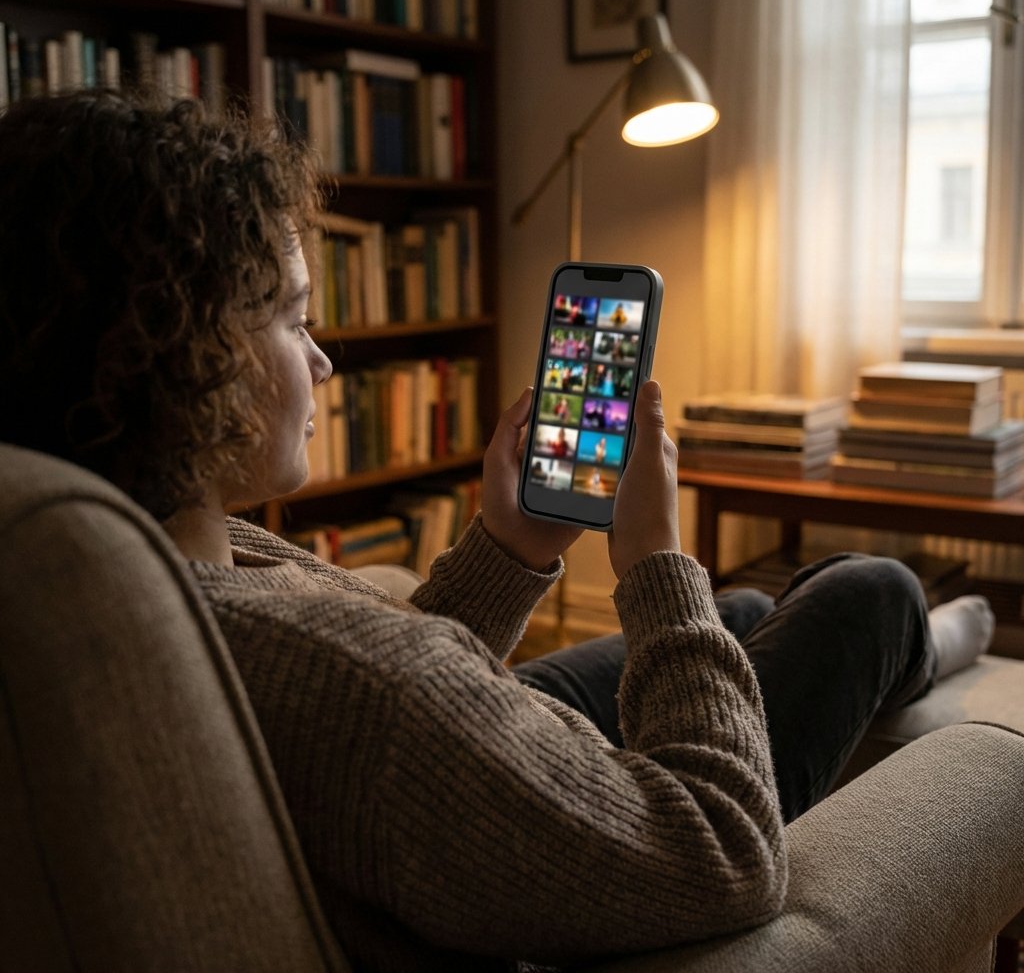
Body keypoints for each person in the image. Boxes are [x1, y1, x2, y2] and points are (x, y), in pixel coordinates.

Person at [0, 89, 994, 973]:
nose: (323, 362)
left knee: (733, 611)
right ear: (181, 352)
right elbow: (723, 853)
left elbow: (373, 699)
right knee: (869, 592)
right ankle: (913, 650)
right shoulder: (365, 689)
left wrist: (513, 549)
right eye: (292, 319)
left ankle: (801, 639)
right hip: (507, 806)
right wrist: (652, 561)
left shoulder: (126, 546)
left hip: (444, 750)